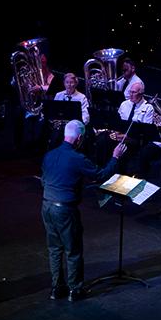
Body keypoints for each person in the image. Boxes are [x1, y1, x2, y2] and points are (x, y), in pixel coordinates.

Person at [41, 121, 126, 302]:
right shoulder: (77, 158)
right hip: (64, 209)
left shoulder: (49, 154)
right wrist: (115, 158)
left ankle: (57, 289)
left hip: (47, 206)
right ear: (79, 138)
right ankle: (75, 290)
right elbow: (101, 175)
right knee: (73, 250)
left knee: (55, 250)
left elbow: (44, 179)